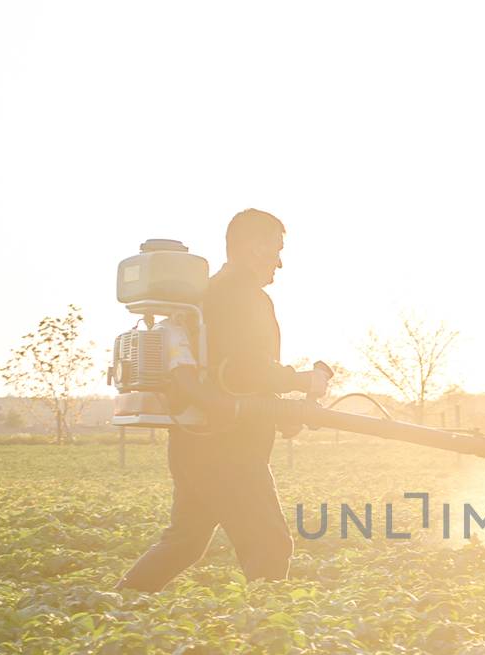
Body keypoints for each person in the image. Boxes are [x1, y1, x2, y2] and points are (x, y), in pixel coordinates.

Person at [116, 209, 330, 591]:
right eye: (275, 250)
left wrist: (283, 411)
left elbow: (228, 374)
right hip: (229, 449)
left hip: (193, 444)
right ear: (252, 247)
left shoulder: (209, 296)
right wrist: (301, 379)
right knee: (270, 545)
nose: (279, 262)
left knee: (184, 543)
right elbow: (243, 370)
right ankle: (267, 639)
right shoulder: (244, 297)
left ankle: (110, 610)